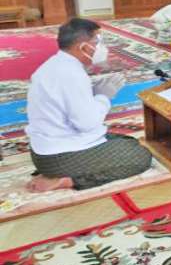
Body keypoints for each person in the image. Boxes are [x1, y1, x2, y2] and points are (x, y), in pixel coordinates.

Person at [25, 18, 152, 192]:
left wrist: (92, 91)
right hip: (58, 157)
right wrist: (103, 96)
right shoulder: (72, 74)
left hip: (43, 151)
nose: (102, 47)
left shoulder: (54, 65)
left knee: (127, 141)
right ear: (84, 47)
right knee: (141, 156)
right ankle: (67, 180)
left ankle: (58, 171)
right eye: (97, 42)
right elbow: (87, 124)